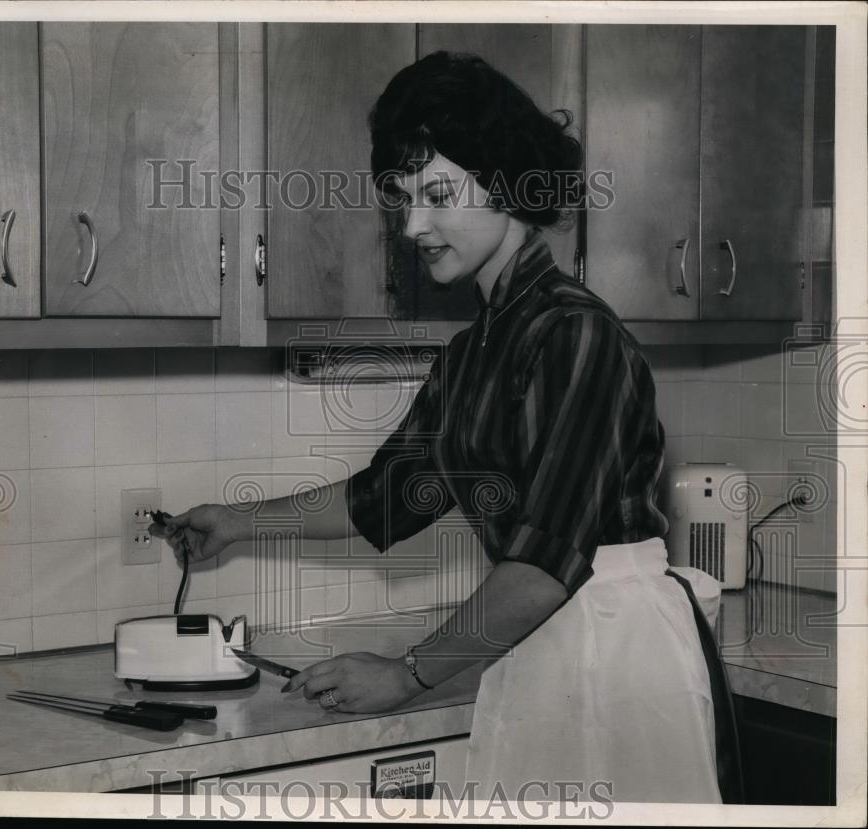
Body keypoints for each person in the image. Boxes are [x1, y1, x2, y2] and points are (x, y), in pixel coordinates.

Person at [152, 51, 742, 805]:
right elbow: (388, 495)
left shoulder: (574, 334)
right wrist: (237, 522)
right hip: (539, 642)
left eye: (437, 193)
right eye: (401, 197)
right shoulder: (475, 349)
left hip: (618, 654)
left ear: (505, 182)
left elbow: (543, 563)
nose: (412, 224)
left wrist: (406, 672)